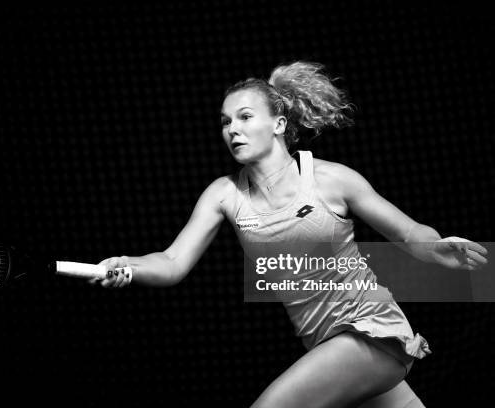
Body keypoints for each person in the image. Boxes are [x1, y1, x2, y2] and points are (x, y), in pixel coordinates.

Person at [90, 61, 488, 407]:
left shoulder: (331, 179)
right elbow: (173, 262)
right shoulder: (224, 194)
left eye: (245, 117)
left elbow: (408, 231)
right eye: (225, 122)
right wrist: (130, 265)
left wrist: (436, 248)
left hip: (370, 332)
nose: (233, 129)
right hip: (324, 346)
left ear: (279, 124)